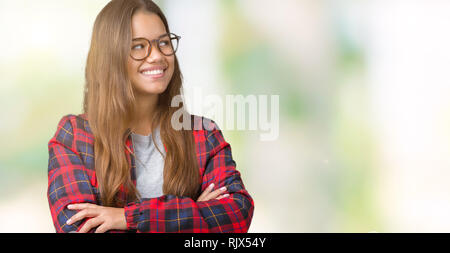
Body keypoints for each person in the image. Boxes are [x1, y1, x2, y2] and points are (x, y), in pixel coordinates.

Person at [47, 0, 254, 233]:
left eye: (163, 42)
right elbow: (78, 228)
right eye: (138, 46)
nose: (157, 56)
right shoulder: (74, 135)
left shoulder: (204, 134)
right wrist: (193, 211)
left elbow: (238, 214)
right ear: (110, 56)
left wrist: (127, 218)